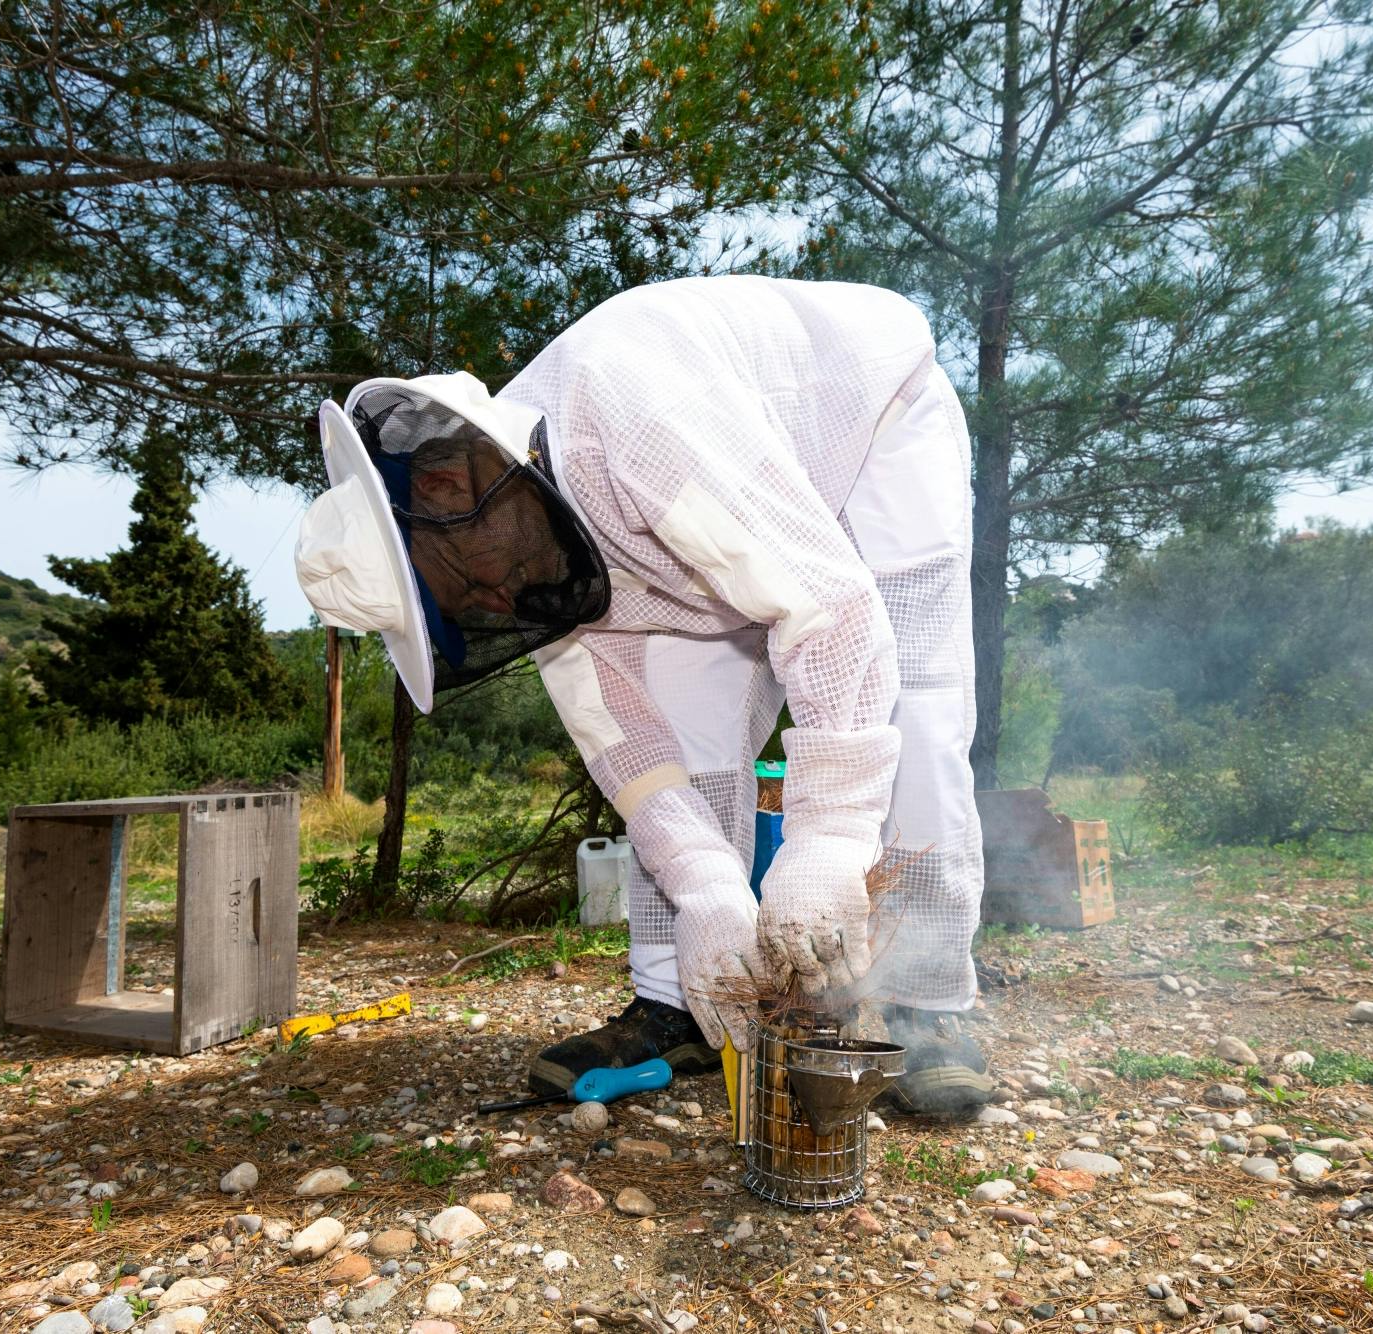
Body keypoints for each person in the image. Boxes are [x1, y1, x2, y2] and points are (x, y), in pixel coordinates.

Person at [294, 276, 991, 1114]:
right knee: (690, 754)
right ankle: (684, 1000)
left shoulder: (634, 420)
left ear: (447, 492)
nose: (484, 609)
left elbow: (825, 610)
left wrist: (833, 836)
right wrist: (704, 888)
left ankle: (925, 998)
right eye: (453, 617)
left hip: (866, 429)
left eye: (454, 586)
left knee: (912, 697)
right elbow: (626, 746)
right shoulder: (534, 556)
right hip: (708, 526)